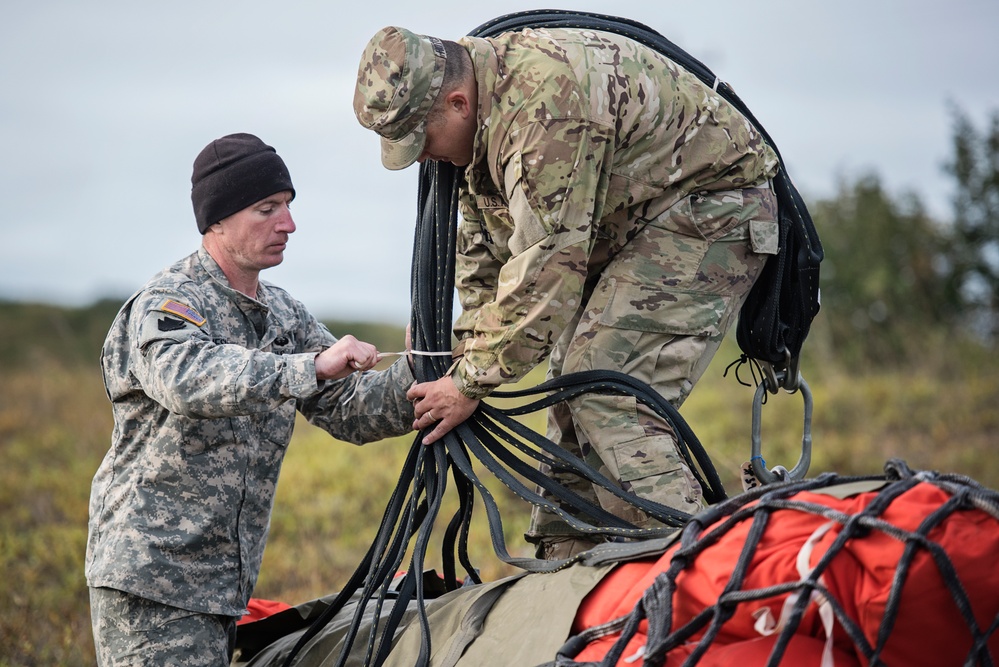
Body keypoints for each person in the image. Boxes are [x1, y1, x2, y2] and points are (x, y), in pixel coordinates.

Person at [353, 25, 780, 560]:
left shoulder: (544, 111)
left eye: (424, 141)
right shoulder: (481, 109)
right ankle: (569, 568)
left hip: (712, 205)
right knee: (571, 385)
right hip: (629, 219)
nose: (424, 160)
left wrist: (466, 383)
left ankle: (702, 571)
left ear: (458, 103)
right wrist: (461, 343)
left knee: (606, 386)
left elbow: (547, 273)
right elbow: (485, 246)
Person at [85, 133, 416, 666]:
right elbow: (189, 380)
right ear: (217, 220)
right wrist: (308, 366)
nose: (288, 225)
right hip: (153, 583)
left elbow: (352, 410)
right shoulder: (169, 304)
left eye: (287, 207)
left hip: (224, 590)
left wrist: (421, 373)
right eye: (267, 209)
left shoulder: (284, 314)